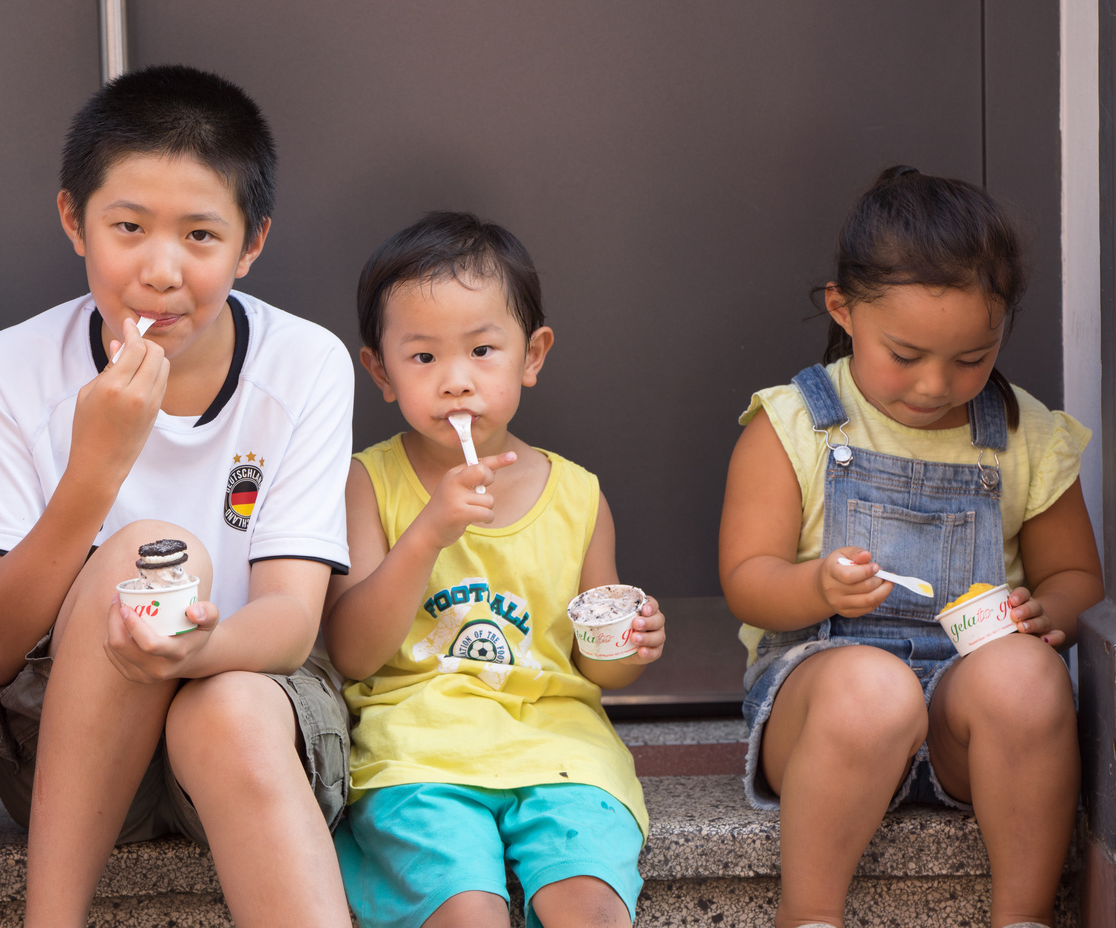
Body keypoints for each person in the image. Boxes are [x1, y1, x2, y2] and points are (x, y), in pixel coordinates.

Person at [0, 65, 355, 927]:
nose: (161, 271)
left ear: (251, 245)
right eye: (127, 227)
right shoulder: (9, 370)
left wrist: (191, 656)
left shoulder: (304, 362)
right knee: (149, 552)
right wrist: (95, 470)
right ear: (74, 221)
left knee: (232, 707)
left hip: (246, 713)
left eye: (202, 237)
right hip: (72, 746)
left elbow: (289, 618)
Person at [719, 166, 1103, 928]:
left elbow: (1078, 578)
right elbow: (747, 578)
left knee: (1028, 678)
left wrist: (1043, 610)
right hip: (825, 709)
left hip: (969, 719)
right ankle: (808, 915)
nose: (935, 385)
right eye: (906, 354)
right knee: (872, 688)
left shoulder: (1024, 435)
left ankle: (1022, 915)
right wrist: (817, 590)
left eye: (971, 359)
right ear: (844, 309)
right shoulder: (795, 424)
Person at [325, 212, 664, 928]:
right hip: (418, 751)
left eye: (483, 350)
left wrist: (630, 647)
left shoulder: (578, 495)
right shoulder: (367, 483)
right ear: (380, 372)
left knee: (592, 911)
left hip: (561, 749)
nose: (456, 382)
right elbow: (353, 652)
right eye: (423, 359)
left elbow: (596, 667)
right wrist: (428, 532)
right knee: (466, 913)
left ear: (532, 356)